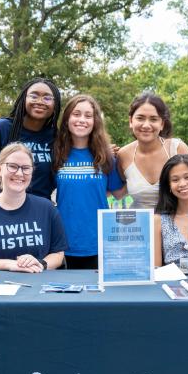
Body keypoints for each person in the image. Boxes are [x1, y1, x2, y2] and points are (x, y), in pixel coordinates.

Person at [0, 143, 67, 272]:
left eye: (26, 168)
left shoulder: (47, 208)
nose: (19, 173)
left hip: (38, 285)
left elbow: (58, 254)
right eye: (12, 166)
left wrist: (40, 263)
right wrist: (10, 265)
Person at [52, 94, 125, 269]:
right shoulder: (55, 153)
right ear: (67, 118)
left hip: (98, 244)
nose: (82, 120)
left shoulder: (107, 157)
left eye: (88, 115)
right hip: (62, 245)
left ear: (95, 122)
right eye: (76, 114)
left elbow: (118, 193)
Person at [118, 93, 188, 210]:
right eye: (140, 118)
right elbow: (115, 191)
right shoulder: (123, 155)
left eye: (153, 119)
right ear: (131, 121)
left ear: (162, 124)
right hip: (139, 226)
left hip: (175, 224)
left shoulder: (177, 149)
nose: (146, 125)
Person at [0, 78, 61, 200]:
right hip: (4, 210)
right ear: (23, 99)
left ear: (55, 105)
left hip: (41, 212)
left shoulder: (56, 137)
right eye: (34, 96)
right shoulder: (2, 128)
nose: (40, 101)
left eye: (47, 98)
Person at [153, 155, 188, 270]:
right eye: (175, 180)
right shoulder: (158, 220)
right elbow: (156, 269)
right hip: (172, 286)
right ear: (168, 185)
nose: (182, 184)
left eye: (187, 177)